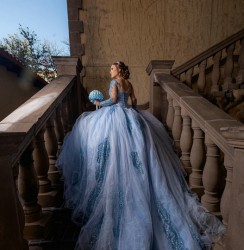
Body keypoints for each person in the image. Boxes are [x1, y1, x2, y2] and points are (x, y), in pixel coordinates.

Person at [56, 61, 225, 250]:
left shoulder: (115, 83)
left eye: (112, 68)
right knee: (141, 153)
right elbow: (134, 102)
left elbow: (112, 100)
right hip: (130, 115)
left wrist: (98, 103)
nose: (109, 71)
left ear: (119, 70)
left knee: (113, 152)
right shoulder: (129, 84)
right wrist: (134, 116)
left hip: (115, 116)